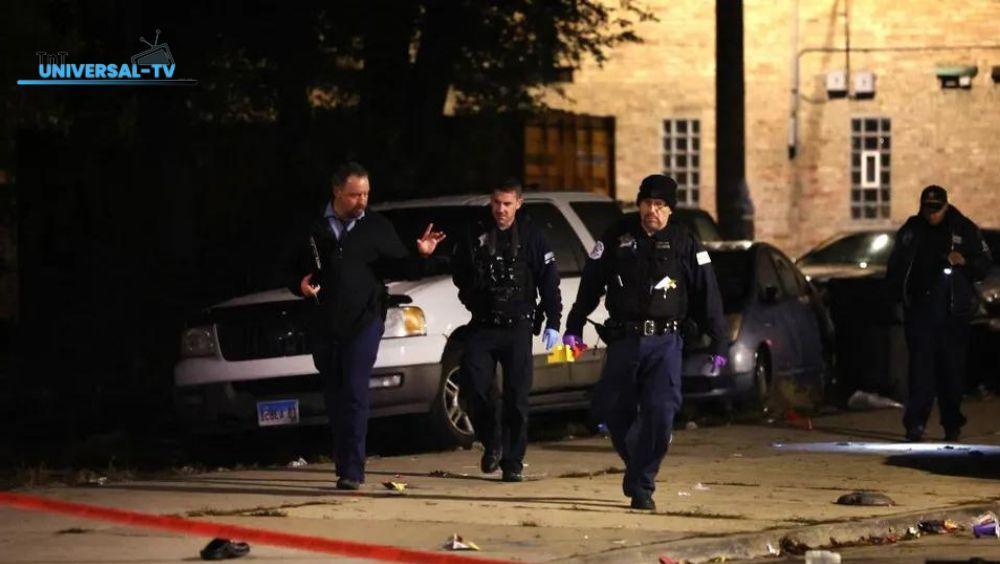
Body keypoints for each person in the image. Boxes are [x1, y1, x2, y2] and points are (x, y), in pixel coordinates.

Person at [562, 174, 727, 510]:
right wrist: (574, 324)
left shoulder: (685, 241)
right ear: (638, 204)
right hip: (624, 339)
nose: (653, 210)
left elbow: (707, 293)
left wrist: (719, 341)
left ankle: (642, 484)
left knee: (661, 412)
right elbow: (592, 282)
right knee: (615, 412)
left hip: (666, 341)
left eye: (660, 205)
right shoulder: (617, 236)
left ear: (670, 210)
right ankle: (638, 467)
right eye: (648, 203)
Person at [288, 161, 446, 490]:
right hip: (324, 322)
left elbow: (402, 266)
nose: (362, 201)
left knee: (356, 390)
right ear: (336, 192)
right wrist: (298, 285)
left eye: (366, 194)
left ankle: (352, 472)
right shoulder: (312, 227)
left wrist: (422, 254)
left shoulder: (376, 227)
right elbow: (289, 267)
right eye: (354, 195)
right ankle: (342, 461)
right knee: (335, 395)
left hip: (364, 321)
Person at [451, 180, 562, 482]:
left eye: (507, 204)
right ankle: (492, 442)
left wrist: (553, 321)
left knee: (517, 398)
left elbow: (549, 282)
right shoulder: (476, 234)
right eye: (497, 203)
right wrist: (472, 295)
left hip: (518, 327)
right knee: (474, 387)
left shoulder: (532, 236)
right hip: (484, 325)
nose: (501, 210)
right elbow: (459, 272)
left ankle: (513, 462)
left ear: (519, 203)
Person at [886, 185, 991, 443]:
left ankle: (952, 424)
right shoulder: (912, 230)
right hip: (921, 310)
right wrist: (897, 299)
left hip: (953, 312)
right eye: (926, 209)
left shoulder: (963, 228)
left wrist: (964, 261)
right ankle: (915, 425)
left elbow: (984, 264)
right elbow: (896, 266)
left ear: (946, 206)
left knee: (951, 371)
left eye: (936, 210)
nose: (931, 215)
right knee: (920, 371)